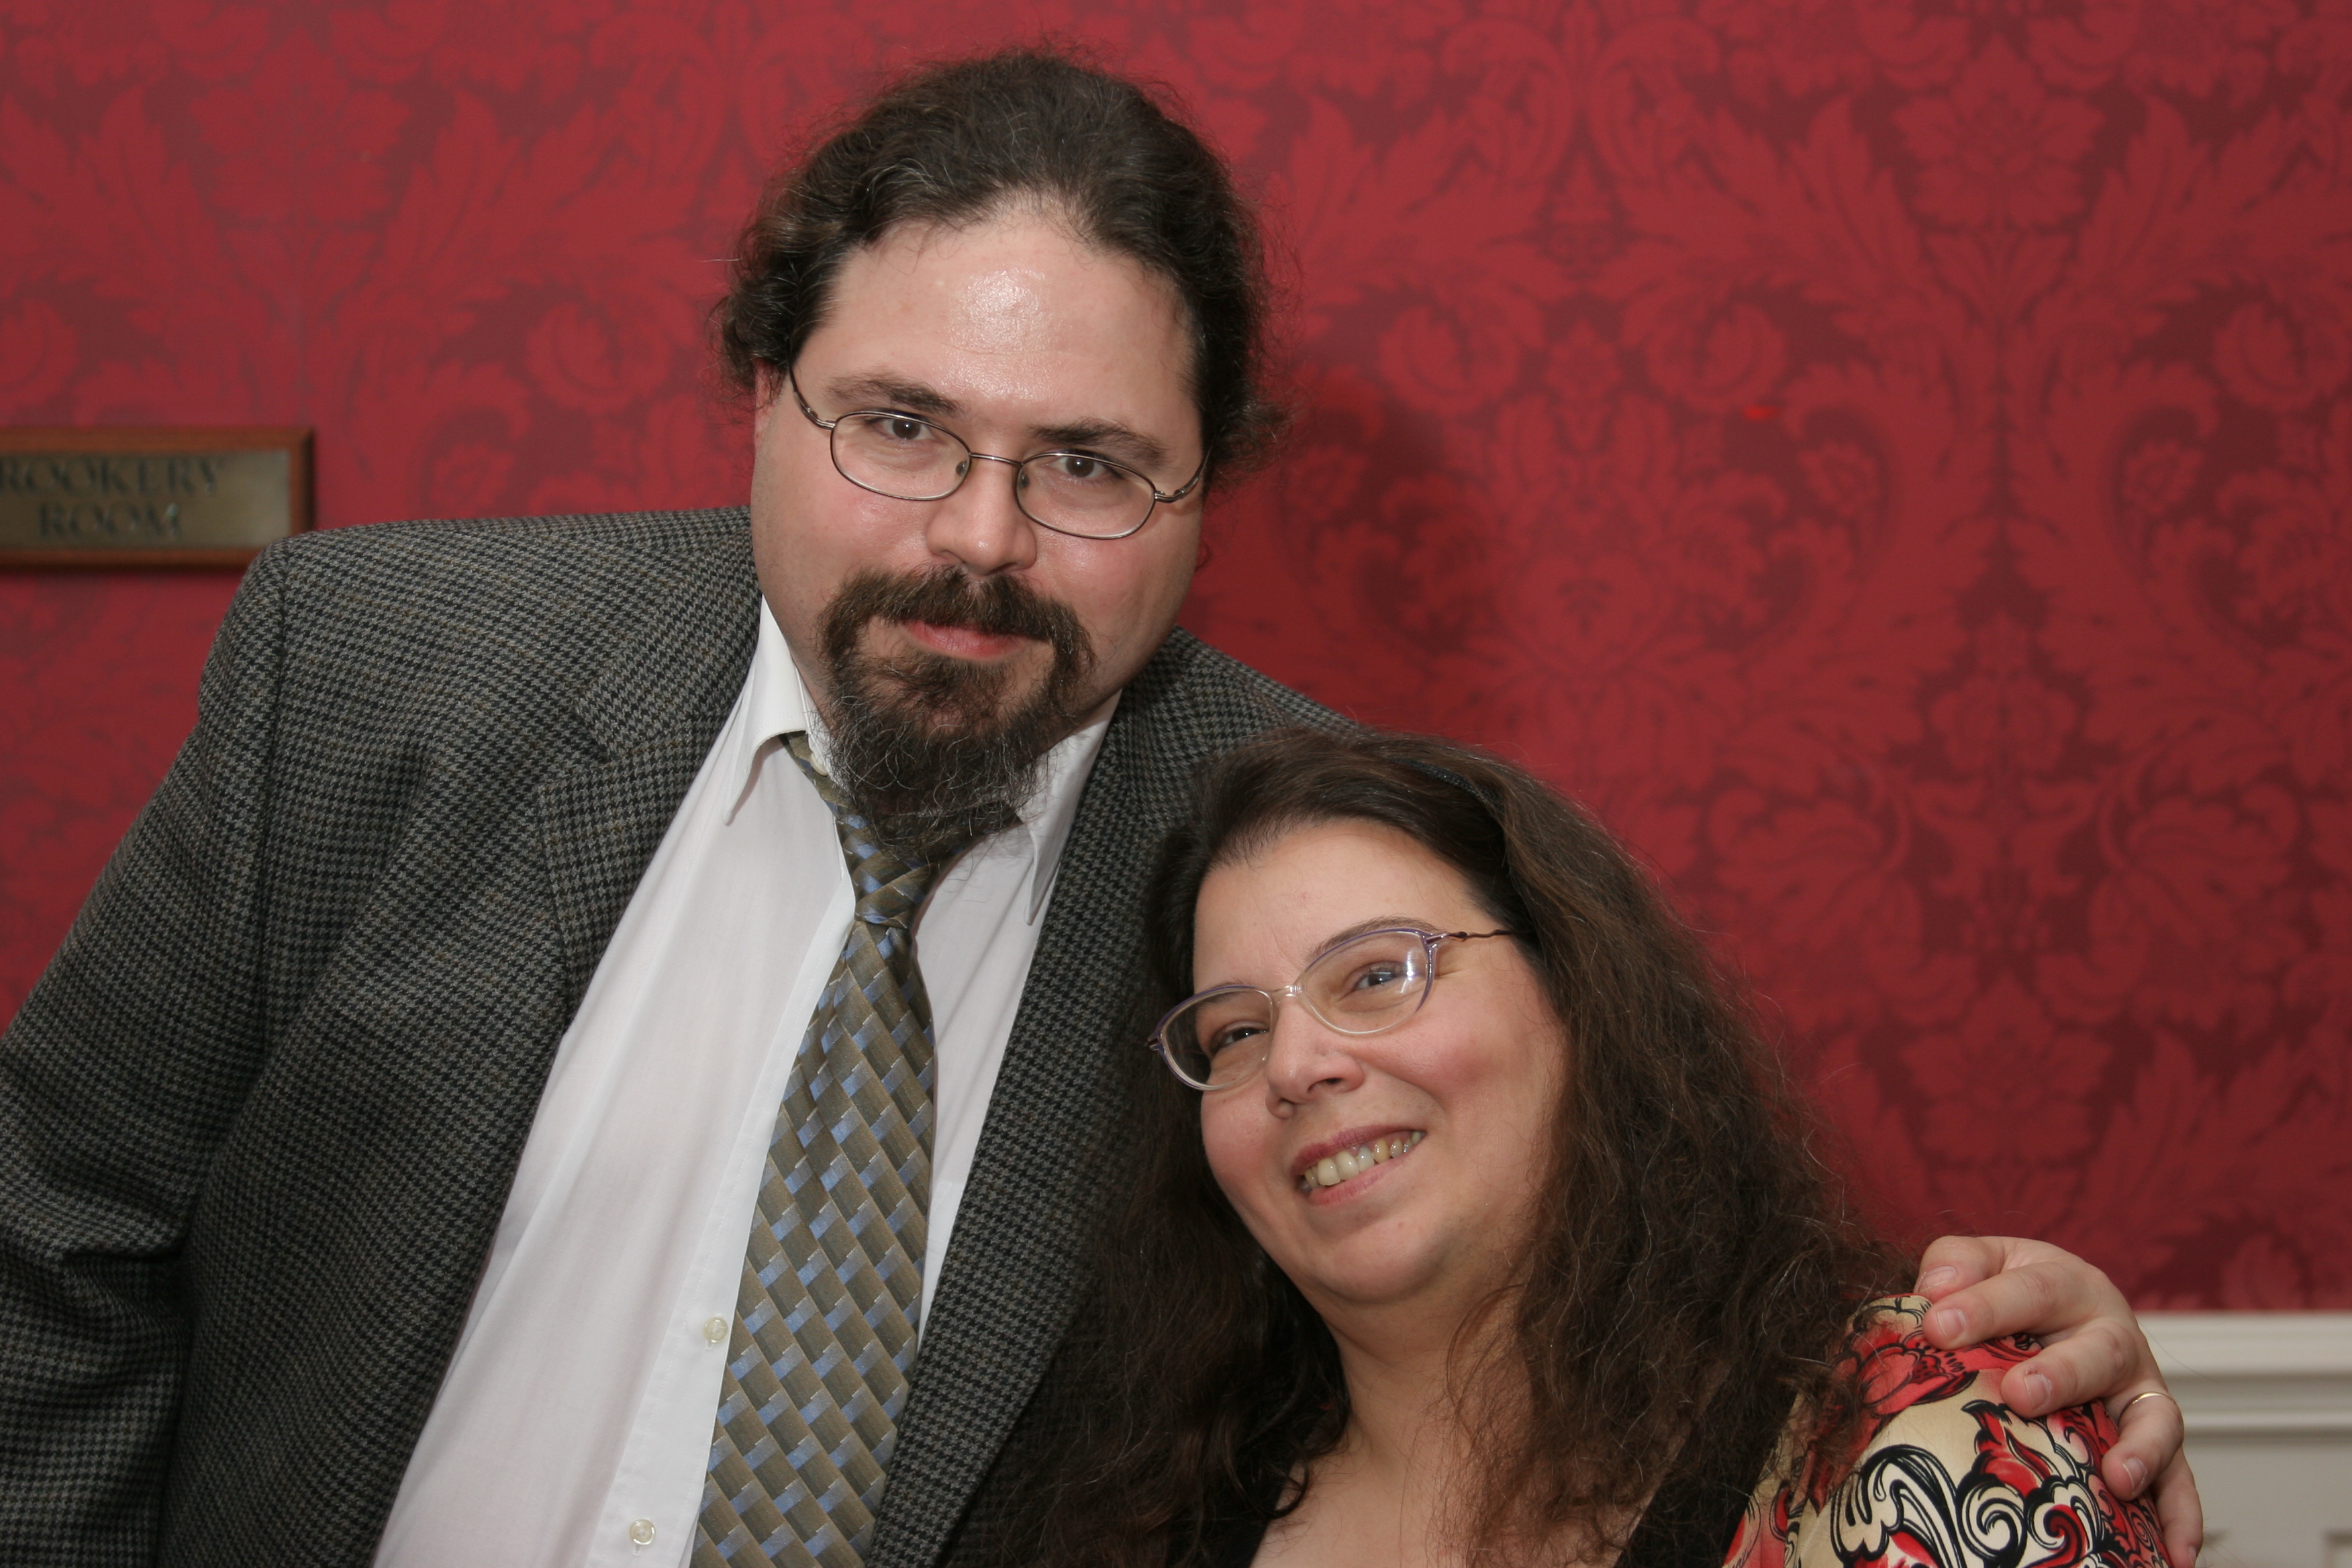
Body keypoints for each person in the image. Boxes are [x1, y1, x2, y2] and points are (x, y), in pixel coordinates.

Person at [0, 48, 2195, 1568]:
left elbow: (1560, 1302)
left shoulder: (1285, 888)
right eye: (897, 425)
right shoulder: (371, 676)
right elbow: (57, 1226)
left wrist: (1964, 1383)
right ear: (763, 392)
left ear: (1203, 489)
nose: (978, 537)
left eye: (1087, 464)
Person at [968, 726, 2169, 1568]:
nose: (1295, 1065)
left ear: (1580, 999)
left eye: (1377, 975)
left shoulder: (1907, 1442)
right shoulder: (1140, 1519)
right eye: (1234, 1032)